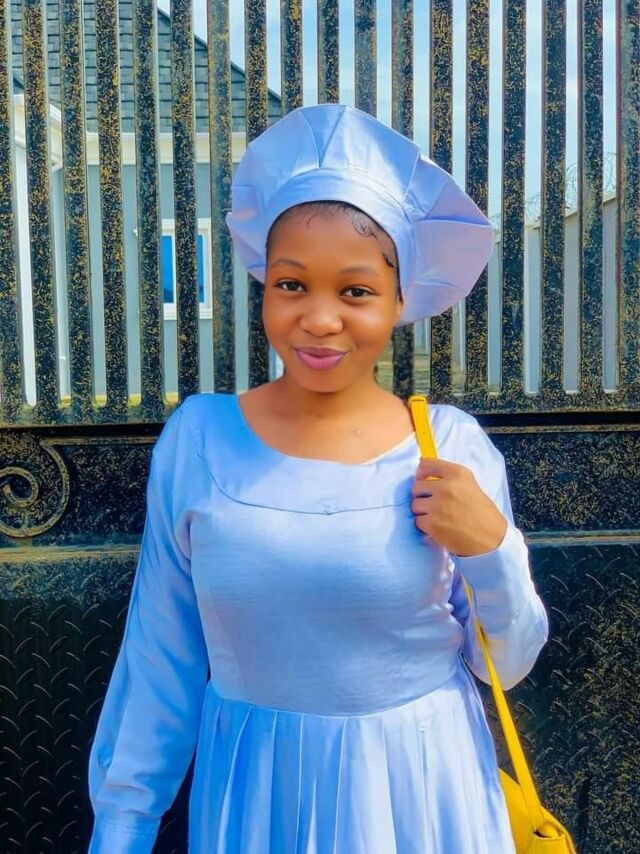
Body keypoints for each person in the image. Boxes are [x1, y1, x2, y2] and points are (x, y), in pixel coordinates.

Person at [87, 103, 549, 853]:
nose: (320, 319)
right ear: (264, 285)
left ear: (401, 300)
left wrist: (491, 547)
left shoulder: (448, 447)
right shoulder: (199, 441)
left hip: (422, 793)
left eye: (356, 291)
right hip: (257, 793)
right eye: (292, 284)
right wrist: (123, 826)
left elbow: (509, 660)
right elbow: (160, 654)